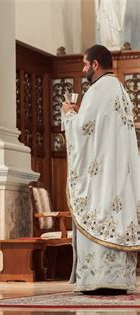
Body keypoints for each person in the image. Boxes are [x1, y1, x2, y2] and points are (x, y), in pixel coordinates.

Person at [61, 44, 139, 295]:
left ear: (95, 64)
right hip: (117, 174)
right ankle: (118, 280)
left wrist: (68, 116)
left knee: (98, 210)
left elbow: (82, 131)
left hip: (101, 179)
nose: (84, 69)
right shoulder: (120, 90)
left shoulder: (97, 90)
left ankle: (98, 279)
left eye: (85, 64)